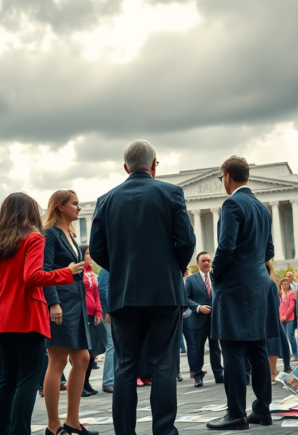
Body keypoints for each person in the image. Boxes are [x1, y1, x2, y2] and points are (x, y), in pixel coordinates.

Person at [90, 140, 196, 435]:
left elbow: (97, 251)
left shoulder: (106, 200)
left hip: (123, 295)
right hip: (165, 293)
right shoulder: (171, 193)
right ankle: (164, 431)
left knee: (125, 367)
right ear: (154, 164)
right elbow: (186, 241)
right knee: (164, 364)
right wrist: (171, 267)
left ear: (125, 167)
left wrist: (121, 268)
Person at [0, 192, 81, 435]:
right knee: (27, 377)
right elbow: (32, 277)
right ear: (30, 211)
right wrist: (66, 272)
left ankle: (2, 431)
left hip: (1, 316)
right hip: (27, 313)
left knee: (7, 378)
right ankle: (20, 431)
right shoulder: (33, 238)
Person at [207, 155, 276, 430]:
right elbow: (269, 251)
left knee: (232, 348)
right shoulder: (261, 207)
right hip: (259, 283)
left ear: (226, 175)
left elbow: (226, 246)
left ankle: (235, 412)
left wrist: (214, 273)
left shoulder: (232, 203)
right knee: (258, 347)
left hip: (234, 286)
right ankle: (262, 410)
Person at [41, 190, 95, 435]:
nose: (79, 207)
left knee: (82, 359)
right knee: (58, 361)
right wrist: (53, 302)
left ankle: (72, 422)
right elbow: (46, 270)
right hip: (60, 302)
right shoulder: (49, 234)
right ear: (61, 207)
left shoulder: (71, 234)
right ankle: (53, 426)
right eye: (75, 203)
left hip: (76, 301)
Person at [185, 251, 224, 387]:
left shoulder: (216, 277)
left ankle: (219, 375)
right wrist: (198, 307)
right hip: (198, 319)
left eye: (208, 260)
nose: (207, 263)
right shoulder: (191, 279)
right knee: (198, 349)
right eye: (204, 261)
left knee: (215, 348)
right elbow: (186, 299)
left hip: (214, 319)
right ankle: (198, 376)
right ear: (198, 263)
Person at [80, 245, 105, 397]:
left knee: (93, 352)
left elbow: (96, 294)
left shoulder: (91, 272)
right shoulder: (78, 272)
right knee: (84, 352)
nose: (90, 256)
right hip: (81, 316)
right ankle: (80, 384)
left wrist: (98, 311)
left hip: (92, 315)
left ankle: (86, 382)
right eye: (88, 253)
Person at [97, 269, 115, 393]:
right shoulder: (105, 268)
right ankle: (108, 381)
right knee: (112, 343)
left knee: (116, 343)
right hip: (109, 310)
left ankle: (113, 379)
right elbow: (103, 290)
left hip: (117, 308)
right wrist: (109, 310)